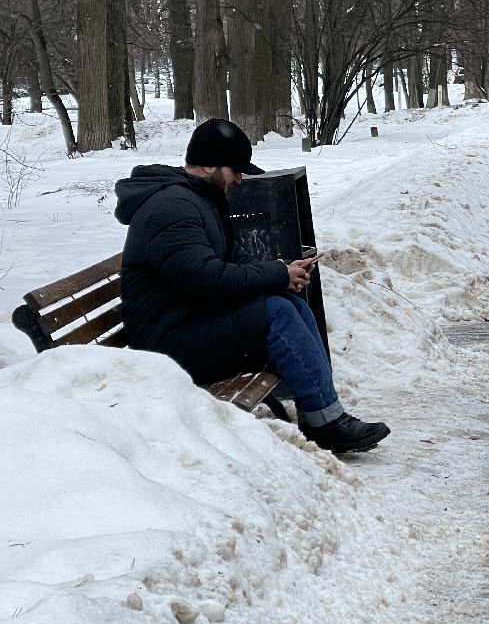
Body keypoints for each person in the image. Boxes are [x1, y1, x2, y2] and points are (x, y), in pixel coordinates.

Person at [114, 117, 390, 457]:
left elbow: (232, 258)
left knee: (290, 304)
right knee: (277, 314)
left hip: (190, 321)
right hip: (167, 341)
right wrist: (276, 275)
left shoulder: (198, 199)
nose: (240, 180)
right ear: (209, 165)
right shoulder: (170, 209)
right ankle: (326, 423)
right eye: (235, 170)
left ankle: (321, 415)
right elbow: (207, 280)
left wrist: (283, 272)